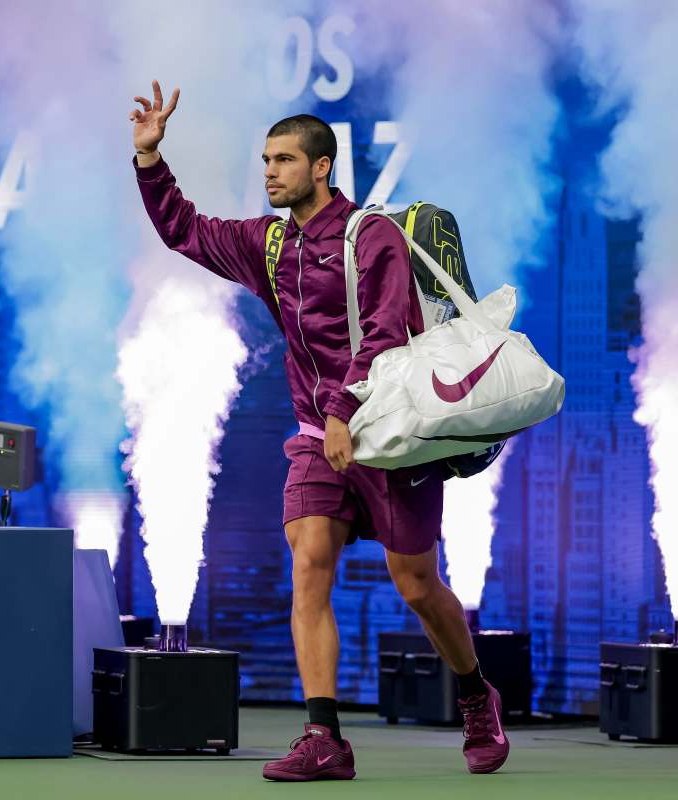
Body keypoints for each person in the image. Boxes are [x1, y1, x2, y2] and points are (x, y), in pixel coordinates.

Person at [129, 80, 509, 781]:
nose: (269, 171)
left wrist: (342, 410)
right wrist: (152, 163)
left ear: (321, 166)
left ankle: (476, 694)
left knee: (418, 585)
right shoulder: (270, 243)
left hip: (392, 437)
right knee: (309, 563)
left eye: (282, 160)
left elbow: (387, 334)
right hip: (317, 439)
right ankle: (325, 737)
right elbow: (186, 230)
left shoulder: (374, 236)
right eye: (266, 160)